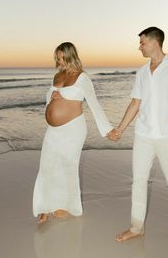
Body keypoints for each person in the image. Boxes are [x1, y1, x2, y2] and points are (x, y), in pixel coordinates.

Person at [108, 27, 168, 241]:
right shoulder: (142, 72)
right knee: (138, 180)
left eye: (142, 42)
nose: (139, 47)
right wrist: (120, 129)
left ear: (154, 42)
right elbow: (136, 103)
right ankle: (136, 227)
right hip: (143, 134)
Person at [33, 42, 113, 224]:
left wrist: (107, 130)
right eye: (57, 58)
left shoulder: (82, 77)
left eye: (62, 58)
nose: (59, 61)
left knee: (68, 166)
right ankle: (44, 207)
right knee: (47, 165)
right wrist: (52, 99)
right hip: (53, 129)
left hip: (73, 129)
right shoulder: (57, 76)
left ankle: (66, 205)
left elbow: (93, 103)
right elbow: (49, 100)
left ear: (71, 56)